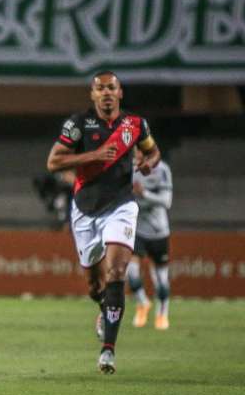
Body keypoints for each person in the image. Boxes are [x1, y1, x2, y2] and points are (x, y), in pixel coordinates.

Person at [47, 70, 161, 374]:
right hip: (85, 209)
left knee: (116, 271)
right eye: (101, 89)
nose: (107, 93)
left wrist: (148, 163)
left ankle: (108, 350)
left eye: (112, 88)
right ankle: (104, 308)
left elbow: (153, 152)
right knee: (95, 285)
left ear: (120, 92)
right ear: (93, 95)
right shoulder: (78, 124)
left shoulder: (135, 125)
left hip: (121, 206)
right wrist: (93, 155)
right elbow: (54, 162)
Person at [127, 148, 173, 330]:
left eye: (138, 153)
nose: (135, 156)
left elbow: (166, 201)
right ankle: (142, 303)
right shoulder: (129, 170)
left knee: (161, 279)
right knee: (131, 272)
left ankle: (162, 314)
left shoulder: (162, 170)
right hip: (137, 229)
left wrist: (144, 193)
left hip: (158, 231)